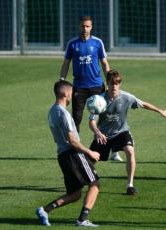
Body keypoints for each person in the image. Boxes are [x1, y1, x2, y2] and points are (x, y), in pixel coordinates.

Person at [88, 70, 166, 195]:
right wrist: (97, 132)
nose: (115, 86)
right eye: (112, 83)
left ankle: (130, 185)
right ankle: (81, 180)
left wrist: (160, 111)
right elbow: (92, 122)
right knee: (89, 161)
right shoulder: (99, 100)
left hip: (121, 132)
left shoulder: (126, 97)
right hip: (103, 135)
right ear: (107, 84)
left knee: (130, 150)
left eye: (117, 83)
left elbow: (143, 104)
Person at [36, 80, 100, 227]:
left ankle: (45, 210)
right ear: (65, 93)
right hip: (73, 154)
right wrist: (89, 152)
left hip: (62, 155)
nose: (72, 96)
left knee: (76, 193)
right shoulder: (63, 114)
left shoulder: (52, 111)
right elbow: (72, 140)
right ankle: (83, 219)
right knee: (95, 183)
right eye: (71, 94)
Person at [59, 15, 123, 162]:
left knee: (108, 118)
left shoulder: (97, 43)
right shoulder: (72, 44)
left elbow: (104, 63)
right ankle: (76, 149)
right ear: (79, 26)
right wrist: (61, 80)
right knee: (76, 119)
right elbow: (66, 63)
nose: (85, 29)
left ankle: (114, 151)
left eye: (87, 26)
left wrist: (109, 82)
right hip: (79, 88)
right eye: (83, 26)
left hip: (97, 86)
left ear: (91, 27)